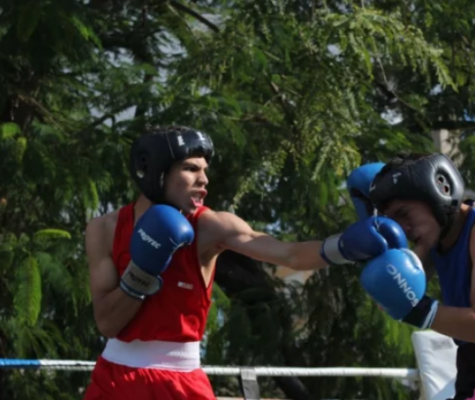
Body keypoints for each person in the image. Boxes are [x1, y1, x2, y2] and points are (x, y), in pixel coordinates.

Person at [82, 125, 405, 400]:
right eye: (191, 168)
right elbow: (108, 324)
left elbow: (288, 254)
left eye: (205, 170)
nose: (204, 179)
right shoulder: (104, 230)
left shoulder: (210, 227)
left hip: (180, 381)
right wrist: (141, 272)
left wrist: (344, 246)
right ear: (156, 171)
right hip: (115, 378)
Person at [349, 153, 475, 400]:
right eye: (393, 220)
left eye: (404, 213)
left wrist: (413, 309)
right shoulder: (436, 238)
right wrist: (381, 251)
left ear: (439, 190)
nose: (403, 228)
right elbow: (393, 293)